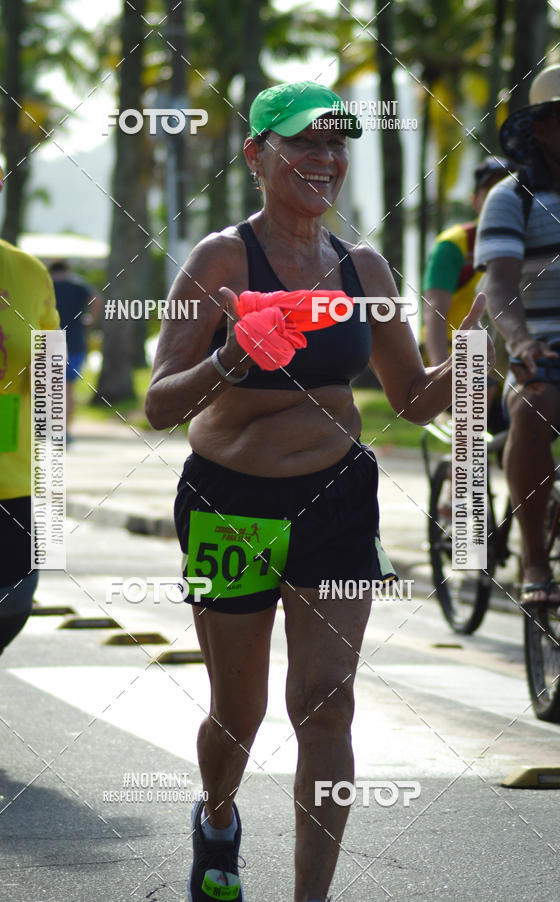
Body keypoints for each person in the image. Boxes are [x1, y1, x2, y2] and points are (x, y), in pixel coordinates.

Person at [145, 81, 492, 902]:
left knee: (327, 705)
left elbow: (411, 397)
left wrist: (473, 355)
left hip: (336, 497)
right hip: (231, 499)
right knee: (240, 710)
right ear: (258, 154)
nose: (325, 159)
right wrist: (233, 356)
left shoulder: (362, 265)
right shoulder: (222, 260)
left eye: (338, 145)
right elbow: (159, 405)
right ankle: (220, 817)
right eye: (305, 143)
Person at [0, 137, 60, 741]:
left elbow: (47, 369)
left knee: (14, 603)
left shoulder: (26, 273)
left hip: (7, 472)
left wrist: (55, 467)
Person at [475, 64, 560, 606]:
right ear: (542, 128)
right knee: (533, 408)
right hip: (546, 347)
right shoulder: (514, 198)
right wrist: (522, 341)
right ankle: (534, 561)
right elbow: (500, 285)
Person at [423, 156, 510, 368]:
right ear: (474, 200)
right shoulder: (453, 244)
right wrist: (441, 375)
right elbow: (434, 312)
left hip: (513, 364)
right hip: (461, 362)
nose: (498, 198)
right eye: (490, 191)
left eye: (506, 190)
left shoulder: (531, 241)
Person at [49, 259, 100, 438]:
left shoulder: (46, 284)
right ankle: (65, 430)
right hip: (75, 341)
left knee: (47, 386)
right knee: (68, 388)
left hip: (50, 340)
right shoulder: (78, 284)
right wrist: (90, 320)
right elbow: (97, 299)